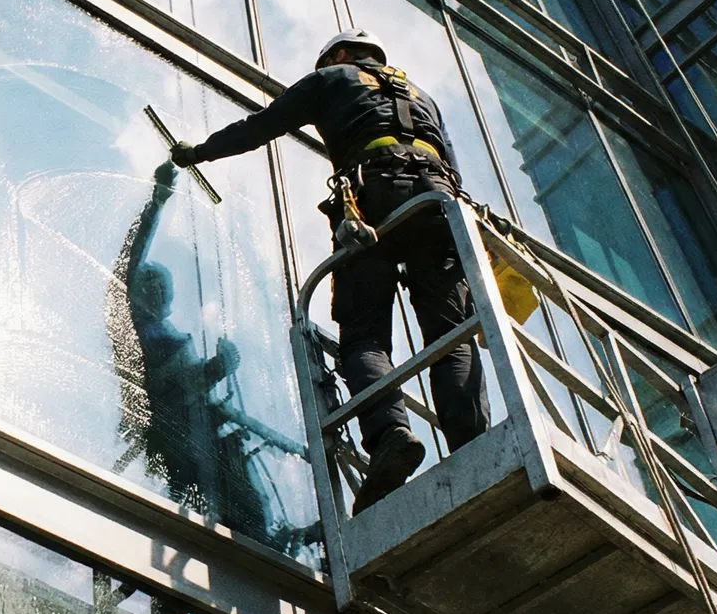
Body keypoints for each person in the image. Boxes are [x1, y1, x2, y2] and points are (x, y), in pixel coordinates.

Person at [169, 30, 490, 513]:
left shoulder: (333, 78)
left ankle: (391, 435)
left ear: (338, 56)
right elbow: (453, 167)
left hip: (372, 201)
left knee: (365, 338)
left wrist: (197, 153)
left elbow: (261, 127)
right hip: (438, 205)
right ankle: (476, 448)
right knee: (451, 336)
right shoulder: (422, 96)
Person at [119, 161, 278, 545]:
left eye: (162, 289)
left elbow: (186, 387)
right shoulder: (136, 330)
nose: (156, 293)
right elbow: (162, 394)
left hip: (201, 435)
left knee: (245, 508)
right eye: (149, 286)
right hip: (176, 436)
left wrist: (218, 369)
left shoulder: (168, 334)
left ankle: (260, 544)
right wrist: (157, 201)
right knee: (213, 505)